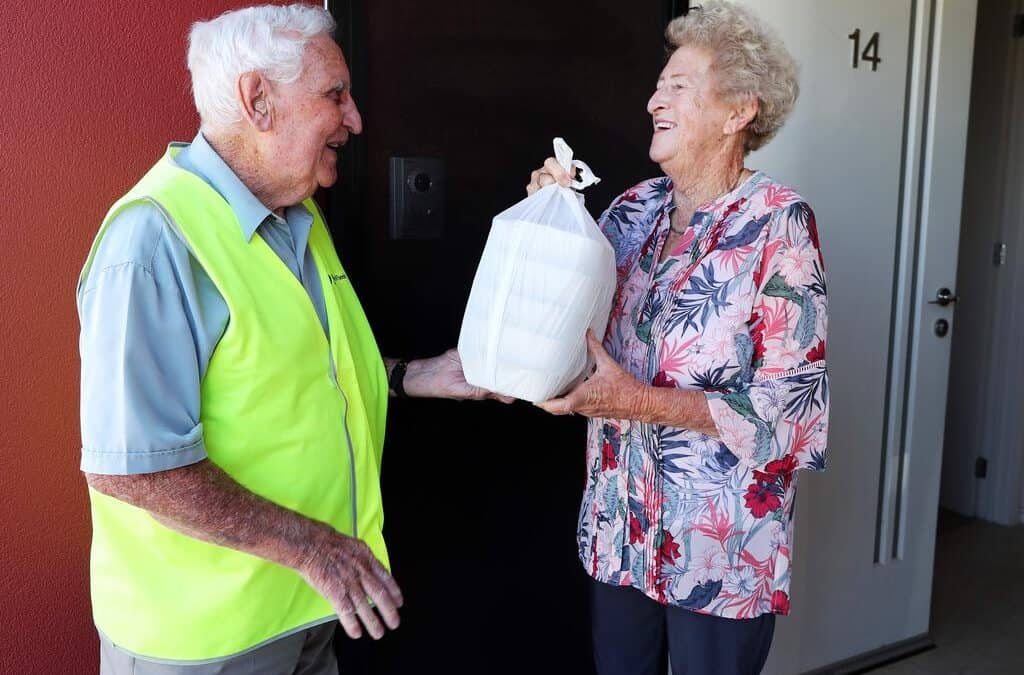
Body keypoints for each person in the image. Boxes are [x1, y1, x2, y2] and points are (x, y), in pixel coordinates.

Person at [77, 5, 502, 674]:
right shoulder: (154, 241)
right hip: (205, 639)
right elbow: (136, 465)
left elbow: (298, 369)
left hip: (303, 613)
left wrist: (413, 375)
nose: (356, 118)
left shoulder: (293, 213)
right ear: (258, 100)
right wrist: (314, 549)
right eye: (336, 94)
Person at [528, 3, 829, 674]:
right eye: (658, 86)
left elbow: (790, 413)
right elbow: (565, 323)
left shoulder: (779, 225)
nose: (652, 100)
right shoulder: (631, 210)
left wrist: (643, 402)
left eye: (678, 87)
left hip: (718, 552)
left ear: (737, 111)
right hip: (621, 528)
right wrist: (545, 218)